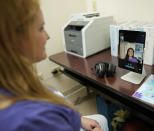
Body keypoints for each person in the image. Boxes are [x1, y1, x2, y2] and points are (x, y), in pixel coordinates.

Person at [0, 0, 108, 131]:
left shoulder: (13, 79)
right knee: (102, 120)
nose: (48, 36)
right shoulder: (36, 120)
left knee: (101, 119)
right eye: (41, 28)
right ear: (13, 40)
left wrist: (79, 119)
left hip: (70, 117)